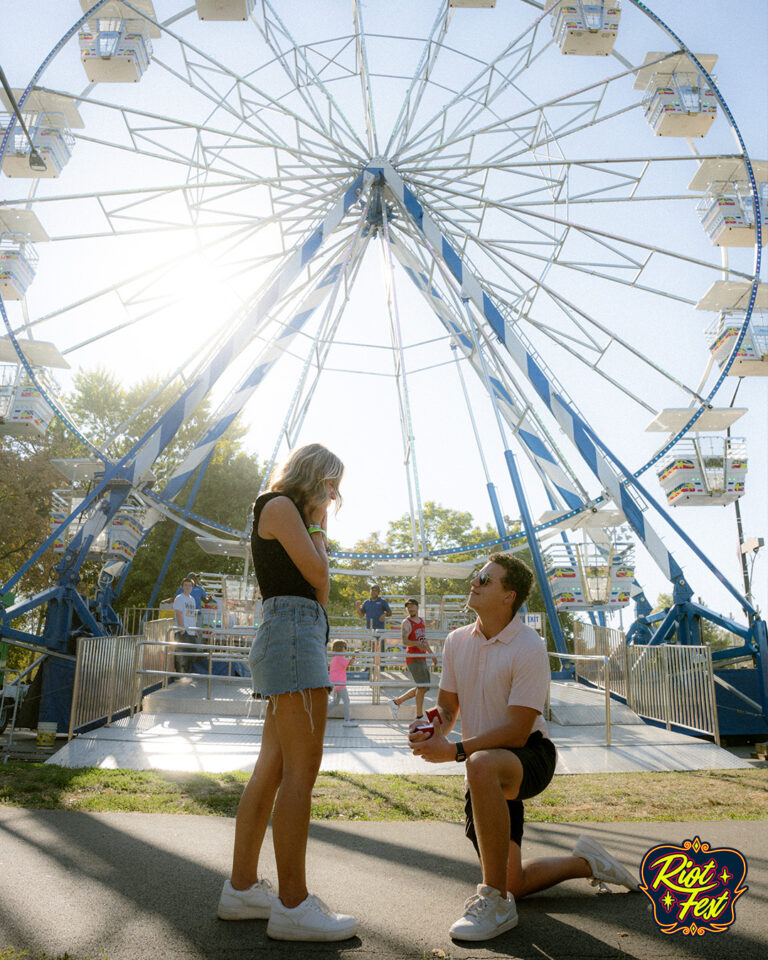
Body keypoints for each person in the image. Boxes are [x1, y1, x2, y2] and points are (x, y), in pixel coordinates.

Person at [410, 554, 638, 942]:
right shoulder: (455, 641)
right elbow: (449, 708)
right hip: (485, 765)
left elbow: (517, 731)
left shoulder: (529, 646)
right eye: (476, 576)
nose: (475, 582)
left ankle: (494, 903)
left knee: (478, 764)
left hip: (528, 755)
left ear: (508, 595)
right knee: (512, 880)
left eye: (485, 578)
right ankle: (587, 863)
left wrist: (455, 750)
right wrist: (432, 725)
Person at [218, 443, 356, 942]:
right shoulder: (278, 506)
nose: (335, 494)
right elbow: (319, 577)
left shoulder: (289, 514)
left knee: (272, 768)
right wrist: (319, 523)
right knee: (302, 770)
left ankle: (241, 888)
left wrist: (317, 525)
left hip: (297, 630)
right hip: (294, 634)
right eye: (331, 484)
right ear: (314, 476)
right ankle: (294, 905)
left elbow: (320, 591)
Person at [388, 599, 437, 722]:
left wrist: (432, 655)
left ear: (417, 607)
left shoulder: (421, 621)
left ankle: (396, 702)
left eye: (412, 606)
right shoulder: (406, 622)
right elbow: (405, 641)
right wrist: (416, 644)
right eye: (408, 607)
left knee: (424, 687)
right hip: (413, 658)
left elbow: (423, 641)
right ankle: (419, 716)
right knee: (422, 687)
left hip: (422, 657)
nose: (410, 609)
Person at [328, 640, 358, 727]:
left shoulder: (336, 658)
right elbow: (350, 663)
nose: (346, 649)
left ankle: (320, 714)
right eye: (345, 647)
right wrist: (354, 656)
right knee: (346, 700)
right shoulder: (339, 658)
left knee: (336, 702)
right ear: (340, 649)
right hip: (339, 683)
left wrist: (353, 656)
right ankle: (346, 720)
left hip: (336, 683)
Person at [172, 577, 198, 674]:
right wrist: (182, 628)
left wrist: (195, 630)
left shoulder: (192, 599)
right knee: (181, 655)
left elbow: (193, 615)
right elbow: (178, 613)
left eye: (189, 585)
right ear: (182, 587)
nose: (188, 587)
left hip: (191, 630)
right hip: (183, 630)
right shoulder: (179, 598)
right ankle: (180, 675)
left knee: (192, 653)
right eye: (185, 585)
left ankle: (187, 673)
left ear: (192, 587)